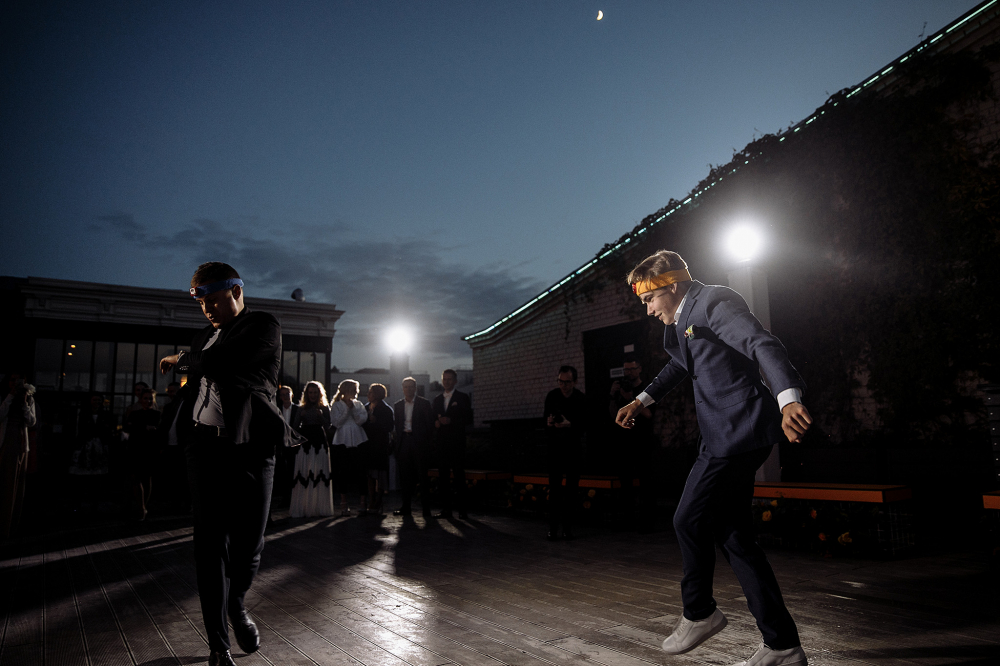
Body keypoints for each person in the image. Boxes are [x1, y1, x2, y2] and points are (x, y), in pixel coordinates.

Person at [615, 250, 812, 666]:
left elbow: (760, 343)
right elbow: (679, 365)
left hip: (739, 432)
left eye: (650, 300)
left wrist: (788, 398)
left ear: (671, 286)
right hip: (722, 435)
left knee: (687, 518)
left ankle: (699, 611)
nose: (648, 310)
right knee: (735, 538)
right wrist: (641, 399)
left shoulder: (714, 302)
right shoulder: (684, 318)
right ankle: (783, 646)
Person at [159, 262, 297, 666]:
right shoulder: (202, 337)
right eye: (202, 303)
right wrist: (186, 371)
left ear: (236, 291)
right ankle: (218, 645)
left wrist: (182, 359)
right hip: (204, 448)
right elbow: (195, 376)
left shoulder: (263, 326)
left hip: (251, 448)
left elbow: (222, 362)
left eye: (215, 301)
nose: (208, 310)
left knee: (249, 544)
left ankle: (236, 603)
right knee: (208, 546)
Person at [609, 353, 656, 529]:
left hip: (642, 441)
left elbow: (649, 414)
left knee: (645, 482)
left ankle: (647, 521)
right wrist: (613, 395)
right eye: (626, 370)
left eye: (631, 369)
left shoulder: (647, 390)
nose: (628, 373)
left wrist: (631, 399)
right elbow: (613, 414)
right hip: (624, 442)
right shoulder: (621, 388)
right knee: (625, 482)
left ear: (639, 369)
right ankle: (628, 519)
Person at [544, 365, 586, 541]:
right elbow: (545, 420)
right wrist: (549, 423)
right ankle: (553, 529)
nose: (563, 385)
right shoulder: (552, 396)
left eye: (567, 382)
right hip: (555, 449)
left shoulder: (580, 399)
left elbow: (584, 425)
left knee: (571, 491)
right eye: (560, 381)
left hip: (572, 450)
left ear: (574, 382)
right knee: (554, 490)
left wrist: (570, 424)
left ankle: (567, 529)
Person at [431, 369, 472, 519]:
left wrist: (451, 420)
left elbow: (468, 418)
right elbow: (432, 418)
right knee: (443, 477)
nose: (447, 382)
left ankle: (462, 511)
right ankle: (446, 510)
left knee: (459, 476)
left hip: (456, 443)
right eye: (444, 379)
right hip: (442, 444)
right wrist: (436, 423)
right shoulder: (437, 399)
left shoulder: (462, 397)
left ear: (455, 381)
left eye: (449, 379)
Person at [289, 381, 333, 517]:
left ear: (319, 394)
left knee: (319, 472)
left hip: (319, 441)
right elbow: (294, 428)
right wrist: (301, 417)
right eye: (310, 392)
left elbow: (329, 427)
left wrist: (321, 416)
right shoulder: (301, 408)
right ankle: (305, 506)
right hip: (305, 442)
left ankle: (318, 507)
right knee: (305, 472)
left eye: (315, 392)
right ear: (307, 394)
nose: (313, 395)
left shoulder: (324, 408)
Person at [0, 373, 36, 540]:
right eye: (13, 380)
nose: (16, 383)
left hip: (21, 443)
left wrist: (24, 403)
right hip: (5, 442)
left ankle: (11, 525)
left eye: (19, 380)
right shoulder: (4, 397)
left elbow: (31, 422)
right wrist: (10, 396)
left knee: (16, 483)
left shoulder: (28, 399)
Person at [392, 377, 433, 517]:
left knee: (422, 477)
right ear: (402, 389)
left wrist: (426, 444)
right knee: (405, 477)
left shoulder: (424, 403)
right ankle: (406, 507)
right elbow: (397, 426)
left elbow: (429, 425)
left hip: (419, 443)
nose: (408, 389)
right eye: (406, 387)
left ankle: (426, 509)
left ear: (415, 388)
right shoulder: (398, 405)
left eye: (411, 387)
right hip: (404, 442)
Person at [70, 392, 115, 513]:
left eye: (99, 400)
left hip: (97, 447)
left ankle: (92, 503)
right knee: (84, 478)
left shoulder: (103, 415)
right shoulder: (84, 414)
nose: (97, 402)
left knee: (95, 478)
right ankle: (82, 503)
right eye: (95, 400)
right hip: (87, 447)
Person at [329, 379, 368, 516]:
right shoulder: (336, 405)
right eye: (353, 390)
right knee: (342, 472)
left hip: (358, 438)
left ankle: (362, 503)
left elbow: (361, 420)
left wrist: (354, 409)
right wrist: (347, 410)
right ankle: (344, 503)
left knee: (361, 471)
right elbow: (337, 423)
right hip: (342, 440)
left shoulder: (359, 404)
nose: (355, 392)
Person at [122, 388, 160, 520]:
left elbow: (158, 430)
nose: (148, 401)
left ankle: (142, 506)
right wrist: (144, 428)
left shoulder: (157, 415)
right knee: (136, 478)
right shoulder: (135, 414)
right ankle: (142, 507)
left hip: (148, 450)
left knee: (146, 478)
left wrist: (139, 428)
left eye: (150, 399)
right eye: (146, 398)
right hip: (135, 449)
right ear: (141, 399)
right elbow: (127, 428)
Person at [157, 381, 193, 514]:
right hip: (171, 446)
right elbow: (164, 426)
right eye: (170, 391)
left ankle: (185, 503)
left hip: (181, 446)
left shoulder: (188, 405)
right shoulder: (170, 407)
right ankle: (176, 503)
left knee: (183, 477)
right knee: (174, 477)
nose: (172, 394)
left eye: (174, 391)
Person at [361, 383, 393, 517]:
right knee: (370, 474)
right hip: (368, 445)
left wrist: (376, 422)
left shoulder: (386, 409)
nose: (368, 394)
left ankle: (378, 501)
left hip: (380, 446)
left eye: (371, 392)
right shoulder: (365, 408)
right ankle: (371, 500)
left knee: (380, 475)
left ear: (377, 394)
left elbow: (390, 427)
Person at [272, 385, 299, 510]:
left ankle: (293, 498)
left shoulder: (297, 409)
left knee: (294, 471)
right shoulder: (277, 409)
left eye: (287, 394)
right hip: (282, 445)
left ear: (292, 395)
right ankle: (285, 498)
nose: (285, 397)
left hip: (294, 445)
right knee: (283, 473)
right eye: (282, 395)